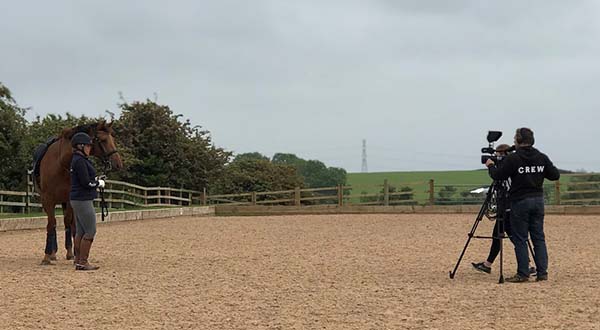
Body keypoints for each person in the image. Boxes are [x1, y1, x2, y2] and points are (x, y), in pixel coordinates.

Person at [485, 128, 560, 282]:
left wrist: (491, 165)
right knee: (538, 238)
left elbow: (498, 175)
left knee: (520, 238)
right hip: (538, 200)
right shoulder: (541, 157)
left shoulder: (514, 158)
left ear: (519, 140)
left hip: (520, 201)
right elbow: (555, 175)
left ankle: (523, 274)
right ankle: (542, 273)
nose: (513, 141)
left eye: (514, 139)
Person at [70, 132, 106, 271]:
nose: (89, 148)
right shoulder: (80, 161)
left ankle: (78, 260)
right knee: (90, 230)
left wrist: (95, 179)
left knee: (81, 231)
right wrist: (98, 184)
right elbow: (85, 183)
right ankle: (83, 261)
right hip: (82, 199)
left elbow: (85, 179)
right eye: (88, 146)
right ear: (80, 146)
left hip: (77, 198)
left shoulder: (78, 160)